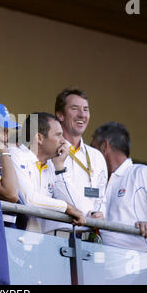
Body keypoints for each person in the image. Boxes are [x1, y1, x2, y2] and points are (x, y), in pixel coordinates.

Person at [90, 121, 147, 253]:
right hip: (106, 265)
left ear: (104, 146)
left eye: (93, 148)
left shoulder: (141, 173)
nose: (91, 155)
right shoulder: (100, 179)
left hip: (141, 267)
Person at [8, 112, 86, 233]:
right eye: (58, 135)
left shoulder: (52, 164)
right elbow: (30, 200)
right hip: (14, 241)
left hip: (42, 244)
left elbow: (77, 208)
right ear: (39, 138)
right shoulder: (15, 155)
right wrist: (66, 207)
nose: (64, 141)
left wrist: (60, 167)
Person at [54, 88, 107, 234]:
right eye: (74, 108)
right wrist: (84, 214)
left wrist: (99, 214)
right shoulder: (50, 148)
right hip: (58, 234)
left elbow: (102, 197)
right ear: (60, 115)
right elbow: (54, 192)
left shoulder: (96, 156)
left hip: (88, 236)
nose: (82, 115)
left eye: (86, 109)